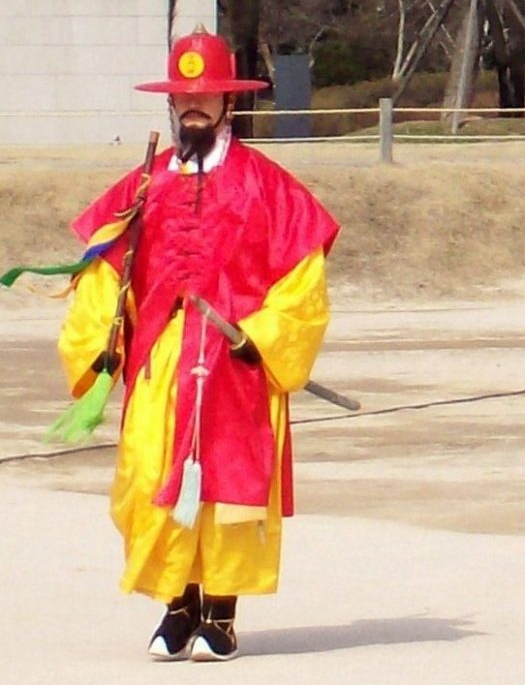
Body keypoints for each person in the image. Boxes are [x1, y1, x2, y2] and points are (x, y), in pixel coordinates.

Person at [46, 34, 337, 661]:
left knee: (228, 488)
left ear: (228, 104)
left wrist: (264, 336)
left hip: (234, 361)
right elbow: (102, 276)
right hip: (160, 360)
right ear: (172, 107)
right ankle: (177, 606)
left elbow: (303, 280)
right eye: (183, 98)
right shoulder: (144, 186)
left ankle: (221, 615)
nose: (193, 108)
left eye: (205, 97)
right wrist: (102, 345)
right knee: (150, 478)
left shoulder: (267, 186)